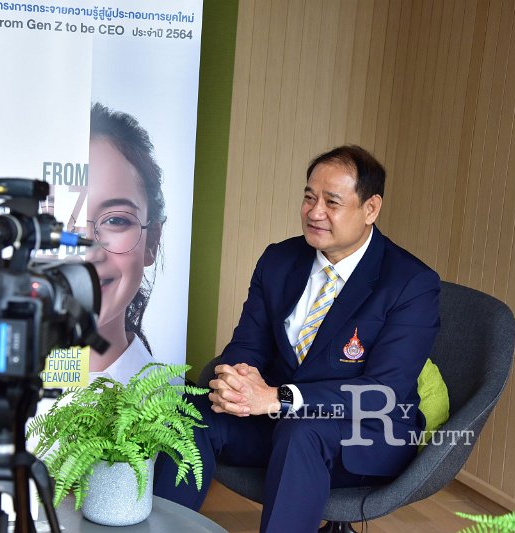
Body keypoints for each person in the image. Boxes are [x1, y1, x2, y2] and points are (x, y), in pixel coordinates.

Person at [153, 145, 441, 532]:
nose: (314, 212)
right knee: (190, 412)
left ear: (371, 208)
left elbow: (382, 391)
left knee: (302, 431)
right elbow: (248, 344)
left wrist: (280, 398)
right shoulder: (279, 259)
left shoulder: (411, 283)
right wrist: (236, 382)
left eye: (331, 202)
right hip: (274, 418)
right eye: (309, 197)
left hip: (365, 432)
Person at [85, 103, 165, 383]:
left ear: (152, 240)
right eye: (57, 222)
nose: (87, 253)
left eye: (115, 220)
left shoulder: (175, 402)